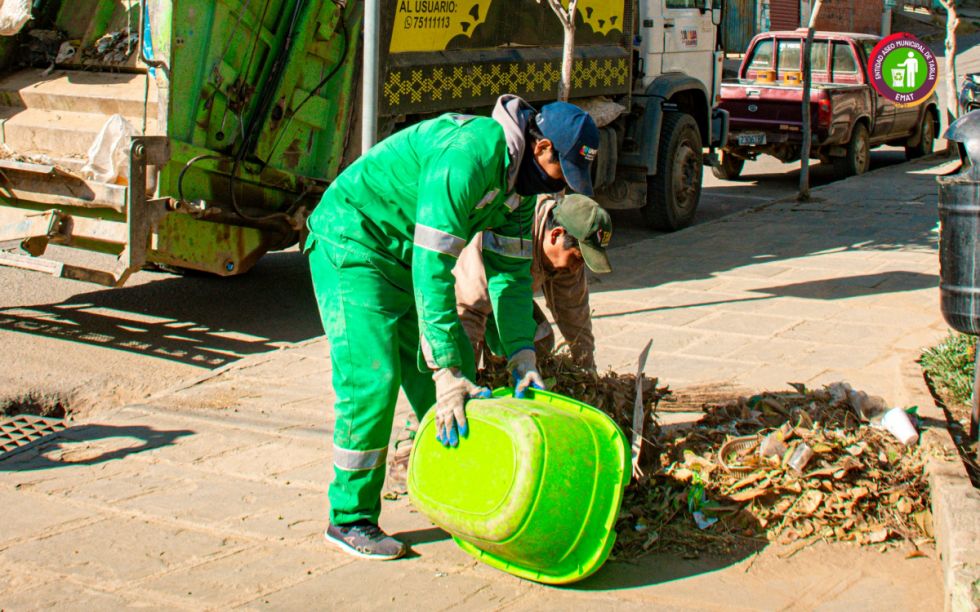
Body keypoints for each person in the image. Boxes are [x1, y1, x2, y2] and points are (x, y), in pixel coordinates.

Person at [305, 94, 600, 560]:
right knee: (374, 380)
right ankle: (349, 517)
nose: (562, 186)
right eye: (565, 170)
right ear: (542, 149)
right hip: (354, 244)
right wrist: (443, 370)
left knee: (465, 377)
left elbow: (510, 275)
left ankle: (453, 489)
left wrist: (522, 354)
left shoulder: (519, 194)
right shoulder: (469, 156)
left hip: (404, 263)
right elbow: (432, 266)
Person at [454, 193, 612, 371]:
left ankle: (502, 375)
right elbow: (468, 311)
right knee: (465, 357)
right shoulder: (509, 231)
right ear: (556, 235)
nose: (576, 268)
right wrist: (463, 378)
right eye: (577, 259)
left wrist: (587, 367)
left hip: (502, 295)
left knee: (539, 341)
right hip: (460, 298)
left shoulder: (568, 255)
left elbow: (574, 310)